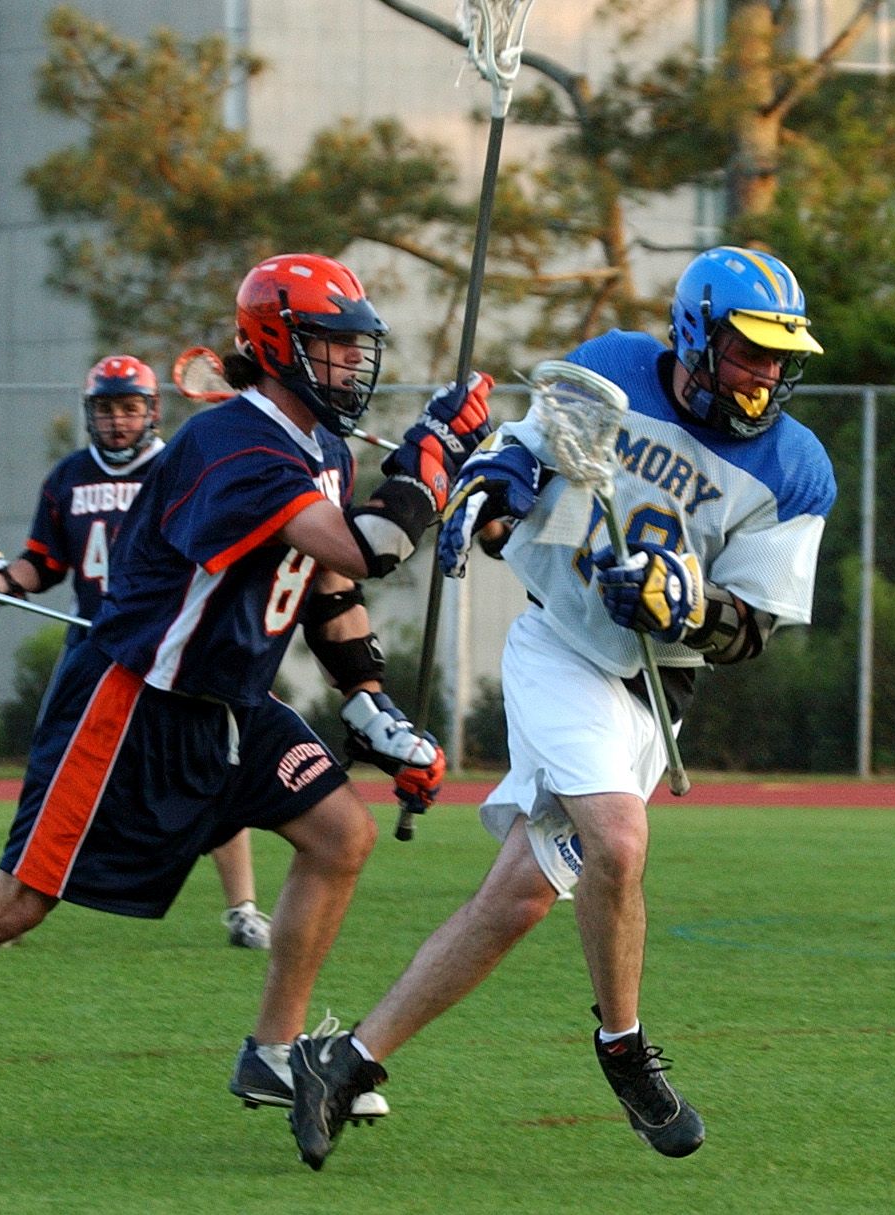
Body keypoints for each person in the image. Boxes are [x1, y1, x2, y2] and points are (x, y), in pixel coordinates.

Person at [0, 252, 493, 1153]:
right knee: (20, 900)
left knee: (338, 835)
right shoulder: (233, 444)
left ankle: (273, 1051)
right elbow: (368, 547)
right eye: (332, 344)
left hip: (231, 699)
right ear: (278, 344)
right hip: (136, 698)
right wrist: (431, 455)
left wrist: (366, 698)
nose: (352, 363)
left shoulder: (317, 445)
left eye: (356, 346)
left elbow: (324, 581)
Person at [287, 246, 836, 1168]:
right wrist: (494, 488)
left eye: (782, 357)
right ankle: (624, 1048)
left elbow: (750, 629)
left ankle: (342, 1061)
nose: (767, 374)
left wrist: (684, 606)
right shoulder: (615, 368)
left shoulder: (796, 467)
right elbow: (526, 455)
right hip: (561, 649)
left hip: (654, 690)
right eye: (750, 350)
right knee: (618, 840)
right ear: (696, 337)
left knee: (516, 899)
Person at [0, 354, 275, 950]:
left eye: (129, 408)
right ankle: (7, 901)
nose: (118, 421)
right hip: (95, 652)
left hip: (173, 649)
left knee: (212, 774)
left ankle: (243, 909)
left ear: (152, 411)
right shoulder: (68, 478)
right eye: (106, 409)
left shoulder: (183, 464)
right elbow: (42, 562)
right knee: (50, 775)